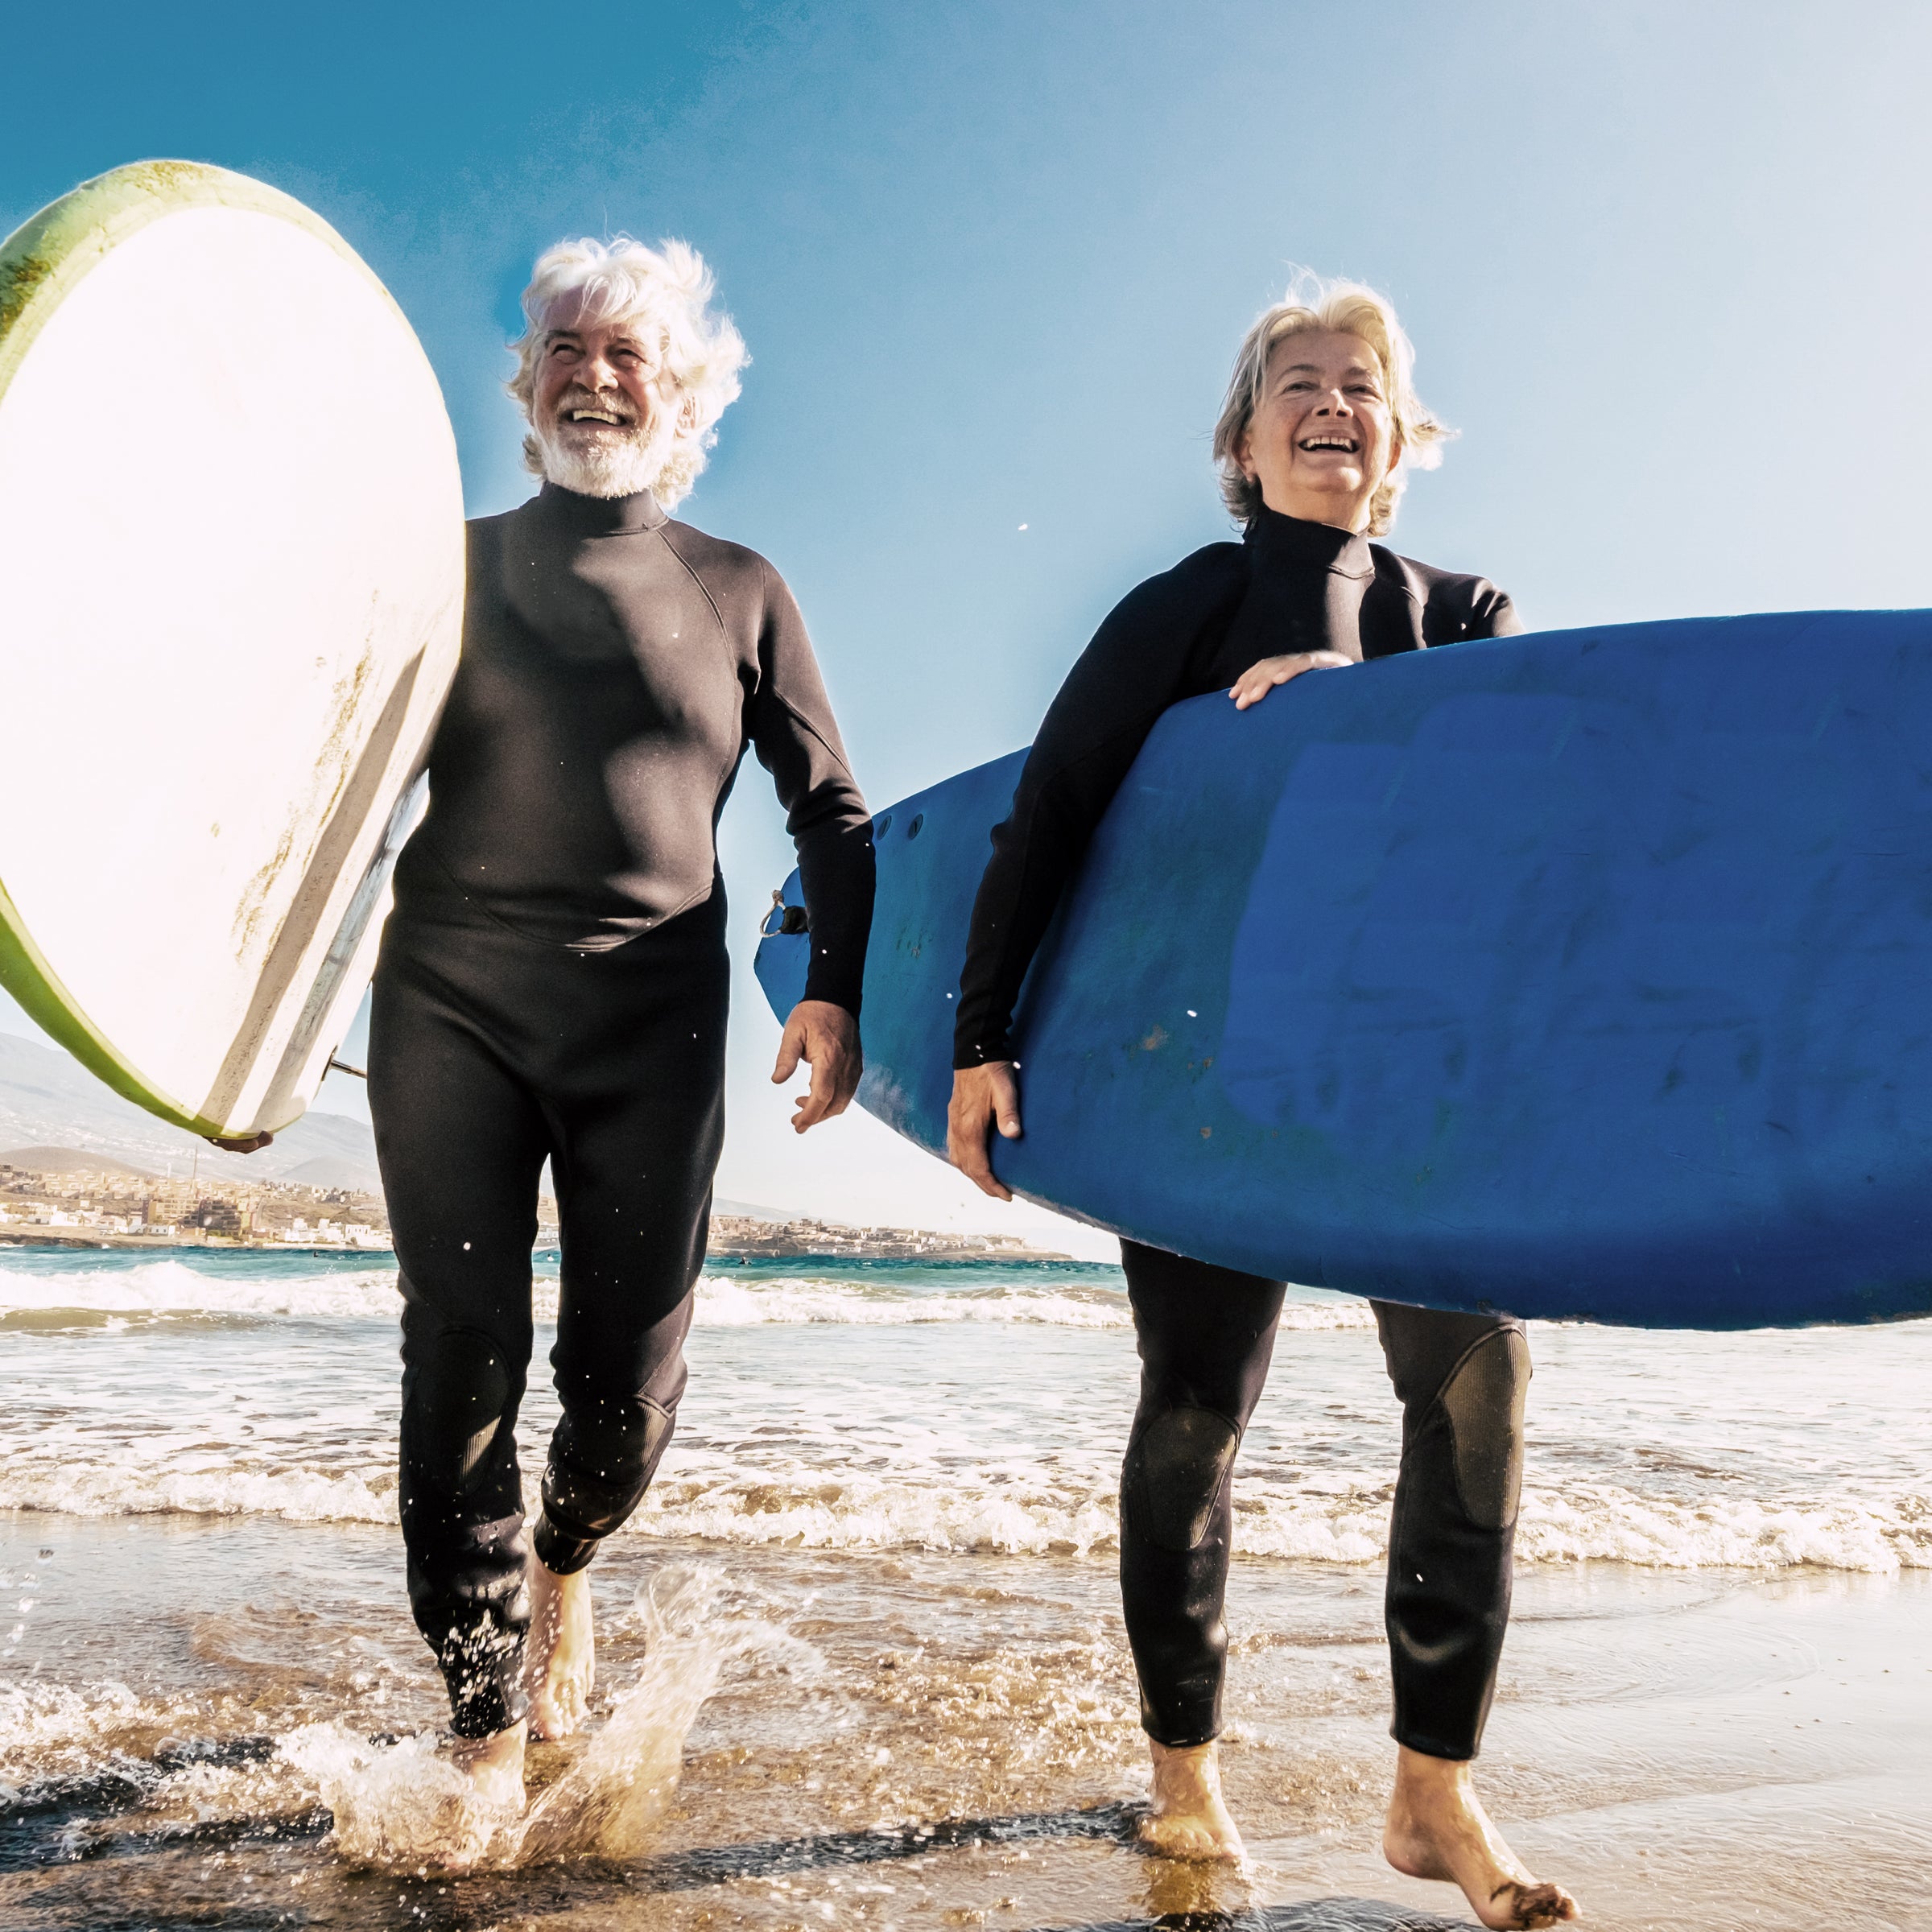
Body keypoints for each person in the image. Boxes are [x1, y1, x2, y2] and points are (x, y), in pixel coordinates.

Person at [946, 280, 1577, 1930]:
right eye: (1295, 383)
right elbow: (1053, 815)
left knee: (1475, 1394)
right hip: (1213, 1062)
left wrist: (1363, 718)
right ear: (1242, 440)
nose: (1329, 405)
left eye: (1360, 385)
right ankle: (1186, 1773)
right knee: (1196, 1406)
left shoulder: (1468, 609)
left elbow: (1539, 806)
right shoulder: (1184, 605)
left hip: (1409, 1069)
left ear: (1400, 434)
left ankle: (1434, 1791)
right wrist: (979, 1041)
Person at [365, 237, 875, 1808]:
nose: (592, 373)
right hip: (450, 1000)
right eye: (564, 348)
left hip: (650, 1027)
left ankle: (570, 1564)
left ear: (685, 390)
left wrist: (839, 989)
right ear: (524, 384)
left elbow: (833, 813)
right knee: (461, 1362)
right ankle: (481, 1733)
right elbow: (338, 775)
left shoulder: (739, 588)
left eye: (625, 353)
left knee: (622, 1403)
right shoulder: (447, 564)